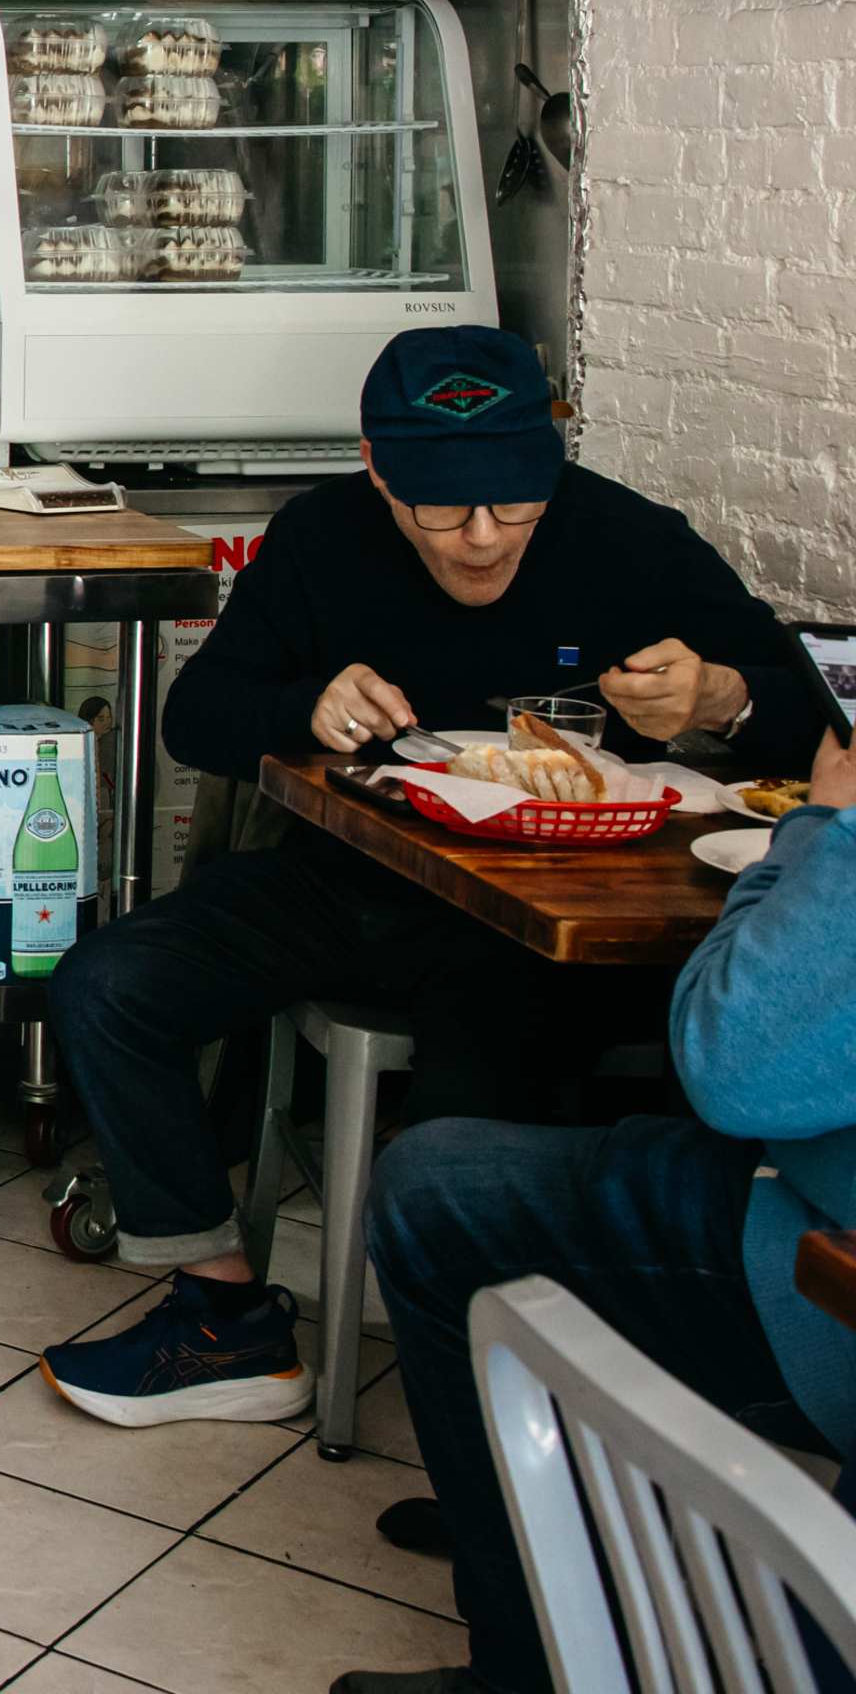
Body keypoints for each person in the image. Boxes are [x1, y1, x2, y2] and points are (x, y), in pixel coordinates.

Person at [40, 324, 823, 1427]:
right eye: (443, 511)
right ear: (378, 469)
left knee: (462, 1127)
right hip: (350, 878)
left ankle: (492, 1422)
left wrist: (721, 698)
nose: (482, 539)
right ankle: (224, 1319)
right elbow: (196, 714)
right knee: (109, 985)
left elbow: (812, 722)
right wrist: (299, 708)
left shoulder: (628, 541)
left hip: (534, 920)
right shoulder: (322, 536)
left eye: (513, 506)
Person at [328, 726, 856, 1694]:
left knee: (429, 1194)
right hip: (796, 1189)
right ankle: (554, 1515)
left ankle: (528, 1663)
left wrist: (825, 826)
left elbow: (724, 1055)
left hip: (815, 1268)